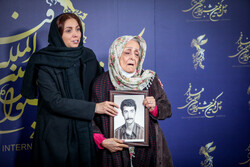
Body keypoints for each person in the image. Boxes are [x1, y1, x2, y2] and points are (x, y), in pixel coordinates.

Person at [21, 13, 118, 167]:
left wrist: (142, 81)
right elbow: (54, 102)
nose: (75, 34)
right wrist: (95, 108)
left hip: (84, 133)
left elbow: (104, 83)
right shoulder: (44, 61)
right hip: (55, 136)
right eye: (68, 30)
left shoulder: (87, 56)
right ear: (58, 34)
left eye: (78, 29)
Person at [92, 35, 173, 167]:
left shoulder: (149, 79)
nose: (133, 57)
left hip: (149, 151)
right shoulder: (100, 83)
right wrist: (102, 141)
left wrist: (154, 107)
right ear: (116, 54)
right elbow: (90, 119)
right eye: (127, 52)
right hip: (113, 154)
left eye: (137, 54)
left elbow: (167, 109)